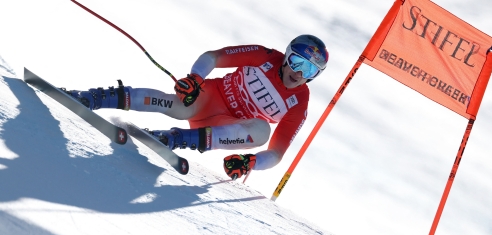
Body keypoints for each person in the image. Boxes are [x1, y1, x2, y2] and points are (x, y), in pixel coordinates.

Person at [68, 34, 329, 180]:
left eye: (309, 70)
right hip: (206, 100)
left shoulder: (299, 104)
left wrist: (251, 163)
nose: (299, 72)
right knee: (178, 107)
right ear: (286, 55)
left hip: (222, 129)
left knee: (262, 131)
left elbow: (276, 154)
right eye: (296, 61)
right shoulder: (265, 56)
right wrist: (195, 78)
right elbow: (213, 57)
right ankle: (96, 98)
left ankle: (175, 139)